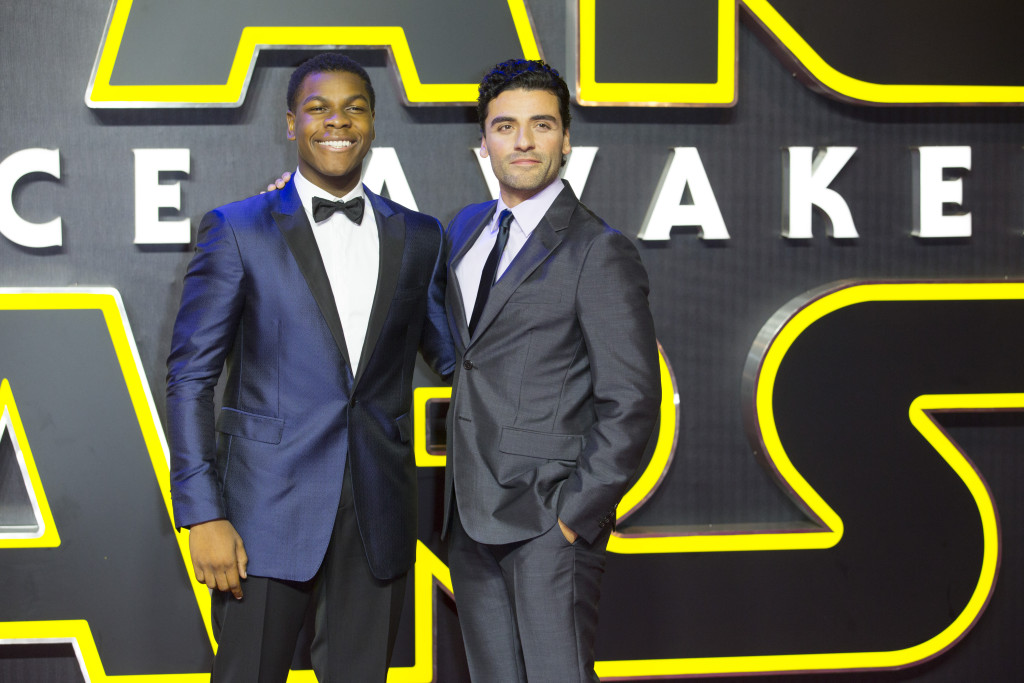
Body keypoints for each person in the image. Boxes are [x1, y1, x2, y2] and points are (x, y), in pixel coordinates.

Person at [165, 52, 454, 683]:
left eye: (355, 107)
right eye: (318, 108)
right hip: (260, 514)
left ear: (373, 122)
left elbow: (458, 361)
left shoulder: (420, 236)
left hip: (378, 515)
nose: (337, 122)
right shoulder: (239, 229)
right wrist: (201, 511)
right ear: (290, 122)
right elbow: (190, 378)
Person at [442, 59, 661, 682]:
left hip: (546, 520)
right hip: (469, 517)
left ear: (566, 139)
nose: (523, 141)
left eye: (542, 125)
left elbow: (632, 399)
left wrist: (573, 518)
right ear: (482, 143)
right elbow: (452, 341)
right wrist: (287, 204)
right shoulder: (465, 229)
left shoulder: (598, 249)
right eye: (505, 126)